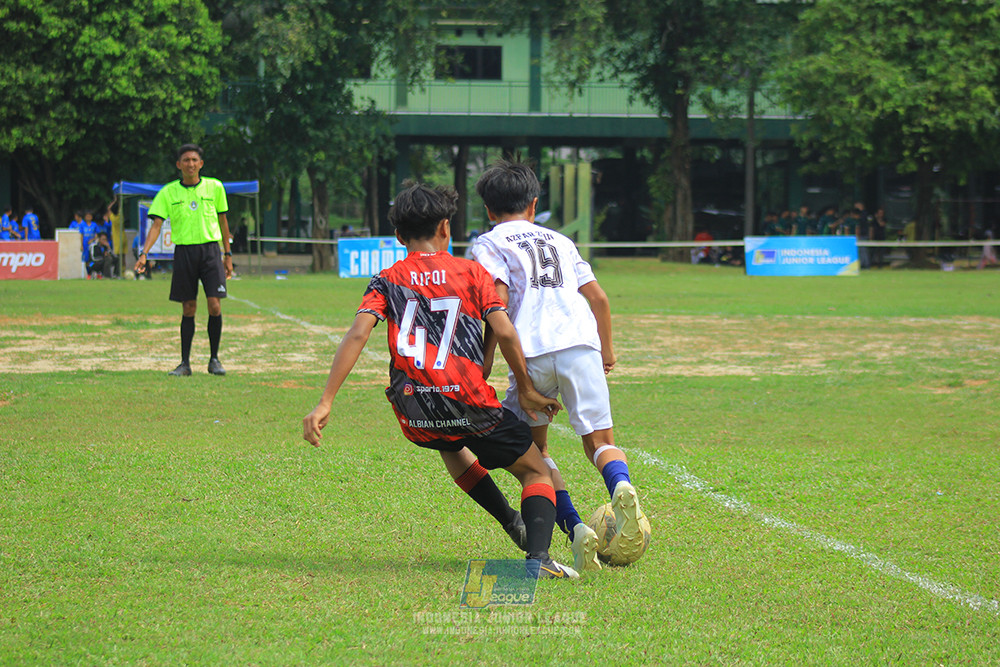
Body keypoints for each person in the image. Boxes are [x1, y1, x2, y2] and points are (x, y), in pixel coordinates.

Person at [302, 181, 577, 580]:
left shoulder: (387, 278)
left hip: (414, 408)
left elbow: (358, 333)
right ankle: (538, 557)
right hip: (466, 397)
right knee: (536, 471)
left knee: (448, 440)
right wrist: (528, 389)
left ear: (398, 236)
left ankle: (510, 522)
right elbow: (504, 331)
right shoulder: (471, 273)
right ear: (446, 228)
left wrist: (326, 400)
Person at [469, 157, 646, 572]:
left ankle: (575, 528)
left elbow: (494, 298)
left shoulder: (488, 242)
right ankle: (620, 484)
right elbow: (598, 298)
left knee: (534, 452)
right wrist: (606, 350)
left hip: (530, 351)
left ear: (490, 211)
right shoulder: (560, 241)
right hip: (580, 342)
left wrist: (488, 353)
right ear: (533, 205)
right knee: (600, 440)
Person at [135, 143, 233, 376]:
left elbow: (223, 221)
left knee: (215, 304)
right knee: (188, 307)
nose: (190, 164)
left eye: (194, 160)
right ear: (179, 165)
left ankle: (214, 360)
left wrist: (227, 254)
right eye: (186, 160)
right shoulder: (168, 192)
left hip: (210, 252)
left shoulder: (215, 187)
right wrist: (144, 253)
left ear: (201, 163)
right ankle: (185, 364)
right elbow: (156, 225)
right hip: (184, 253)